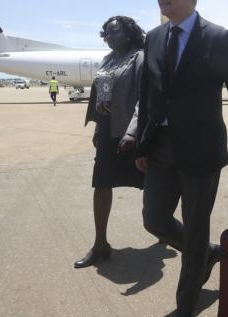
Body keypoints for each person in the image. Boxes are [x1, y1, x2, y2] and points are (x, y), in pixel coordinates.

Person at [127, 0, 228, 317]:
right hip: (160, 146)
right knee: (154, 220)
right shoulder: (154, 37)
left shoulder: (217, 37)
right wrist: (142, 144)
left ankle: (185, 308)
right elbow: (147, 94)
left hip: (200, 148)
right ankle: (208, 253)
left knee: (194, 229)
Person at [75, 15, 147, 269]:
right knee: (101, 183)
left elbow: (144, 98)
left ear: (128, 33)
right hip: (108, 131)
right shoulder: (107, 60)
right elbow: (100, 97)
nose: (109, 36)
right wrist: (98, 126)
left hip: (132, 133)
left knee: (151, 184)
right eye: (106, 32)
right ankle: (100, 244)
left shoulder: (140, 58)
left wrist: (132, 132)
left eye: (115, 31)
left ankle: (164, 226)